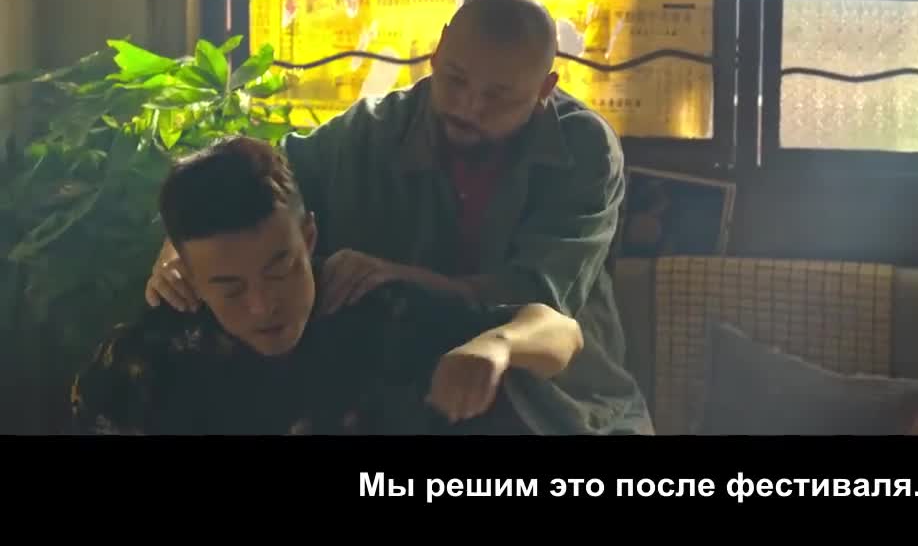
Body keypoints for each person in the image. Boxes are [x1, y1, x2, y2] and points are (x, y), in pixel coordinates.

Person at [145, 0, 653, 435]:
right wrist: (181, 245)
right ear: (437, 51)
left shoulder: (582, 148)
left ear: (544, 89)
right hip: (410, 392)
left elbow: (541, 300)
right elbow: (259, 183)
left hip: (556, 399)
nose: (468, 106)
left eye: (498, 96)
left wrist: (396, 278)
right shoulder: (372, 131)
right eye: (454, 79)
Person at [72, 136, 583, 435]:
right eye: (230, 288)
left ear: (309, 237)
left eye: (280, 269)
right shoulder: (146, 362)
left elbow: (561, 333)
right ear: (184, 271)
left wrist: (497, 346)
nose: (262, 305)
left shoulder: (377, 312)